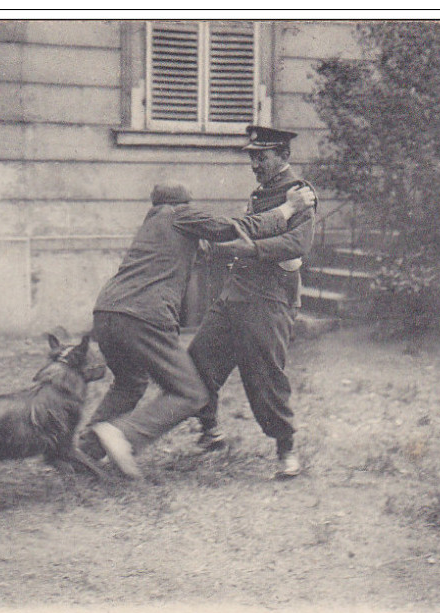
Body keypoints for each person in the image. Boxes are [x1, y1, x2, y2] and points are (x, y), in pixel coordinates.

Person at [84, 181, 316, 479]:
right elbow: (237, 227)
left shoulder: (154, 223)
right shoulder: (182, 215)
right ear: (183, 205)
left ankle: (87, 449)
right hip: (145, 316)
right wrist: (289, 208)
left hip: (106, 312)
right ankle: (124, 436)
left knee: (130, 382)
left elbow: (206, 248)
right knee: (192, 392)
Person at [187, 125, 318, 480]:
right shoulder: (262, 193)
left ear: (284, 156)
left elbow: (298, 245)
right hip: (237, 293)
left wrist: (252, 249)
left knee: (264, 377)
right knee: (199, 359)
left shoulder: (299, 193)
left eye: (262, 156)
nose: (255, 163)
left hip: (270, 298)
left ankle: (286, 450)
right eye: (252, 156)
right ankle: (210, 432)